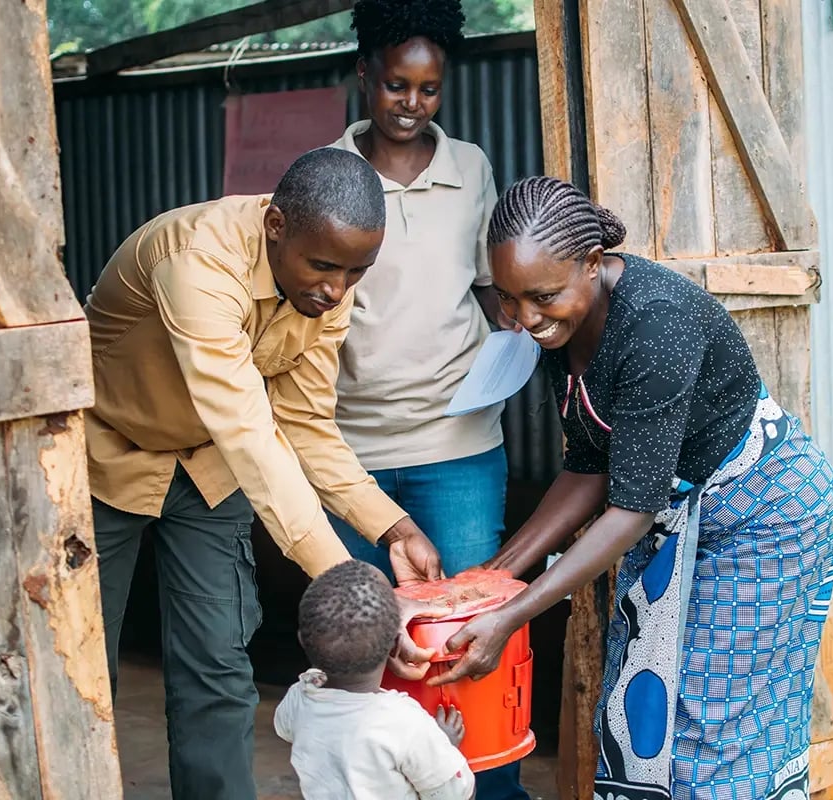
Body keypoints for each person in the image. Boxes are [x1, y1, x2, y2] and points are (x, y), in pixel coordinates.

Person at [430, 177, 833, 800]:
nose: (526, 319)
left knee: (713, 727)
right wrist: (491, 579)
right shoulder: (560, 324)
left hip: (764, 517)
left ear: (592, 264)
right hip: (677, 514)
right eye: (510, 299)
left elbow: (630, 508)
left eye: (542, 297)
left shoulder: (656, 325)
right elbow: (588, 465)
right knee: (641, 714)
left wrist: (511, 613)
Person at [83, 148, 443, 800]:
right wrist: (354, 591)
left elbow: (304, 423)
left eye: (356, 272)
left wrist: (392, 527)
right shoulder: (198, 261)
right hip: (108, 459)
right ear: (276, 226)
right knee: (82, 668)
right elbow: (251, 434)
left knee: (217, 666)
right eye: (324, 267)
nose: (336, 290)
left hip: (210, 470)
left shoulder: (325, 291)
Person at [328, 4, 528, 797]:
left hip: (459, 448)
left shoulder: (471, 168)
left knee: (470, 642)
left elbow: (488, 287)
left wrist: (518, 342)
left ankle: (491, 790)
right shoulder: (326, 174)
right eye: (395, 85)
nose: (412, 103)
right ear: (363, 76)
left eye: (429, 88)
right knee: (364, 655)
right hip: (351, 456)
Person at [275, 559, 476, 800]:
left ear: (303, 641)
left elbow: (284, 728)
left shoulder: (298, 699)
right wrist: (444, 747)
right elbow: (459, 794)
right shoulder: (406, 723)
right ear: (396, 646)